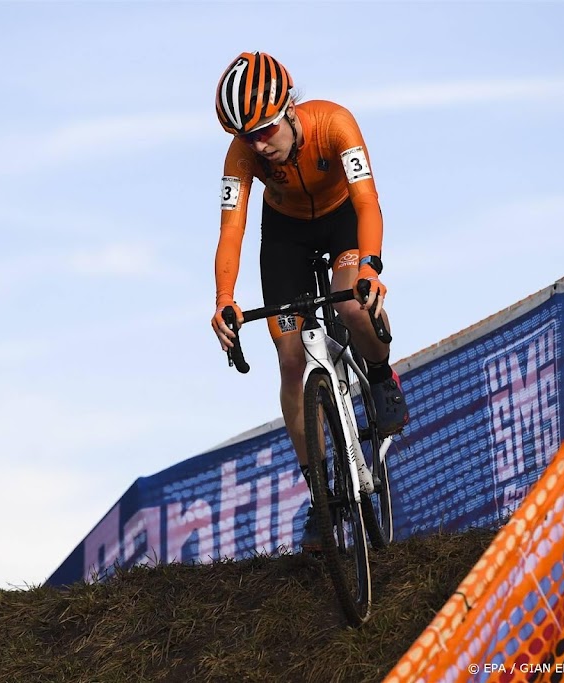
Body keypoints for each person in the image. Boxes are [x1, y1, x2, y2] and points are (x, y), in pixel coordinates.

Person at [209, 51, 410, 549]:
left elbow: (367, 201)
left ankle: (382, 376)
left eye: (265, 129)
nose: (259, 144)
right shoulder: (242, 155)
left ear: (290, 109)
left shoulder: (335, 123)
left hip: (343, 219)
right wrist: (224, 298)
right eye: (246, 135)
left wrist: (369, 266)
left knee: (349, 304)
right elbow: (231, 230)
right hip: (285, 237)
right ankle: (320, 495)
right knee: (290, 358)